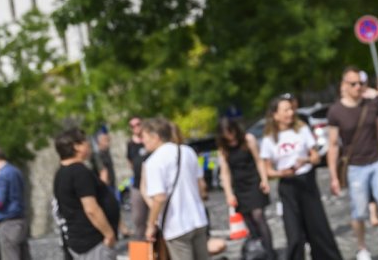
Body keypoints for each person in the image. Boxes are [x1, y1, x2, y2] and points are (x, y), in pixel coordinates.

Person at [327, 67, 378, 260]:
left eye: (361, 83)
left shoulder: (372, 105)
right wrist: (333, 177)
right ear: (344, 85)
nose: (358, 87)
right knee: (359, 212)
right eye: (353, 83)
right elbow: (332, 146)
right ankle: (362, 248)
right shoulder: (335, 111)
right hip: (355, 166)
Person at [259, 93, 341, 260]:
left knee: (318, 229)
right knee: (294, 235)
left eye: (291, 109)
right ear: (275, 115)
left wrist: (305, 160)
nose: (289, 113)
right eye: (285, 110)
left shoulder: (302, 129)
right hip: (288, 186)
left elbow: (316, 157)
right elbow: (268, 169)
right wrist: (281, 173)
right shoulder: (269, 139)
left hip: (307, 182)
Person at [140, 117, 209, 259]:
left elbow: (159, 197)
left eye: (144, 136)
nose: (143, 141)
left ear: (155, 137)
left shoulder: (153, 162)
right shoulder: (188, 151)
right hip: (198, 218)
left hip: (176, 225)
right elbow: (201, 186)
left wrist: (150, 224)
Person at [53, 128, 119, 260]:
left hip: (80, 239)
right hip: (92, 241)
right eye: (85, 142)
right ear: (76, 147)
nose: (89, 144)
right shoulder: (79, 172)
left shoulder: (61, 173)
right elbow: (91, 208)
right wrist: (109, 234)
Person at [216, 117, 275, 259]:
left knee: (258, 215)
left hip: (253, 181)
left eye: (230, 132)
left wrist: (264, 179)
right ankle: (258, 248)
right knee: (248, 218)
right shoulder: (223, 149)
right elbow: (225, 172)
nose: (229, 136)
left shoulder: (248, 140)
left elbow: (258, 160)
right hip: (239, 185)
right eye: (226, 134)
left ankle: (270, 252)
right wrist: (229, 194)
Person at [125, 116, 150, 237]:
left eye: (138, 124)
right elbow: (130, 161)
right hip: (138, 184)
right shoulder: (130, 144)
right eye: (132, 126)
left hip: (152, 184)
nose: (136, 127)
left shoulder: (149, 140)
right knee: (138, 219)